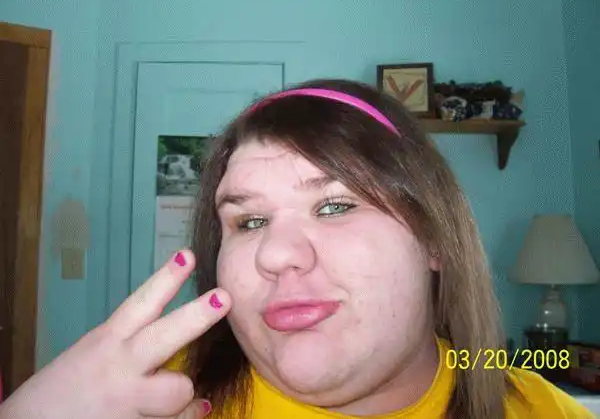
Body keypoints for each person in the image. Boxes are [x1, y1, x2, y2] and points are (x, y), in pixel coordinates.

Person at [0, 79, 594, 419]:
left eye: (334, 206)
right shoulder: (146, 400)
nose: (274, 254)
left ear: (434, 238)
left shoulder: (541, 407)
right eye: (250, 221)